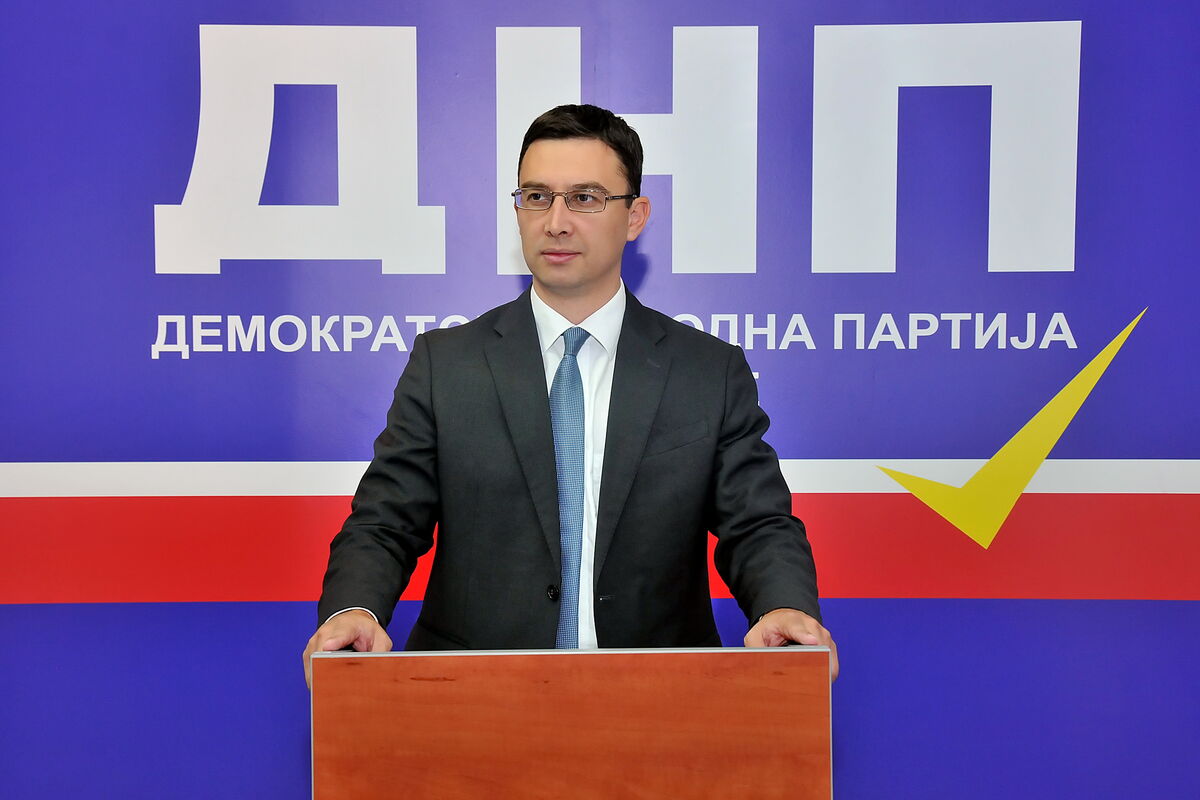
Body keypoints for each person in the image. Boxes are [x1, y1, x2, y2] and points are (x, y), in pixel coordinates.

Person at [303, 104, 837, 686]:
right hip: (475, 698)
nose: (556, 222)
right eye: (537, 197)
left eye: (585, 198)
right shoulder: (446, 365)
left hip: (658, 697)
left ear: (635, 216)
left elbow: (757, 524)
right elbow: (385, 520)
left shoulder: (706, 371)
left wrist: (782, 606)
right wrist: (353, 609)